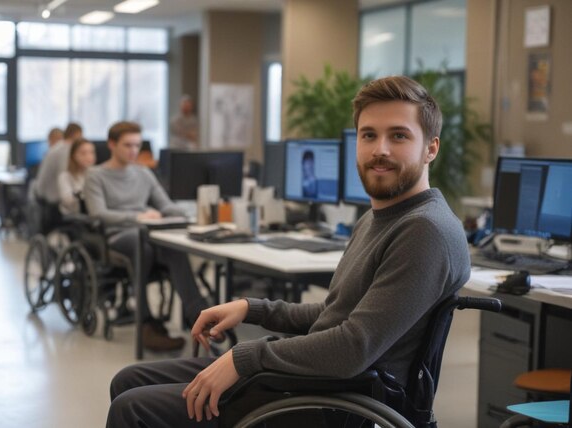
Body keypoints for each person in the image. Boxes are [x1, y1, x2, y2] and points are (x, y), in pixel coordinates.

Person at [105, 76, 471, 427]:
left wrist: (245, 357)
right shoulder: (380, 218)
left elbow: (353, 347)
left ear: (431, 148)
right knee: (130, 379)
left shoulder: (425, 230)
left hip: (336, 402)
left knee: (133, 408)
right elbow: (334, 314)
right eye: (369, 135)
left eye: (399, 136)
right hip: (317, 381)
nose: (380, 150)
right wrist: (253, 308)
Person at [84, 121, 210, 352]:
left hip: (147, 235)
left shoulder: (144, 173)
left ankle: (199, 316)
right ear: (112, 144)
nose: (133, 151)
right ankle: (146, 325)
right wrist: (138, 216)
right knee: (143, 245)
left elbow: (165, 205)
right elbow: (99, 213)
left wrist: (193, 215)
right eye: (127, 145)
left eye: (137, 145)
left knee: (174, 247)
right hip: (117, 237)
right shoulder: (96, 175)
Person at [33, 122, 83, 204]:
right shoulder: (65, 151)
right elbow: (63, 177)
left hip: (50, 195)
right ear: (78, 134)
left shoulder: (57, 148)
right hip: (55, 199)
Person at [57, 138, 95, 215]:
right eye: (83, 153)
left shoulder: (96, 174)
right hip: (75, 219)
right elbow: (68, 202)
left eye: (91, 152)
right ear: (73, 155)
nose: (88, 156)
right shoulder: (65, 176)